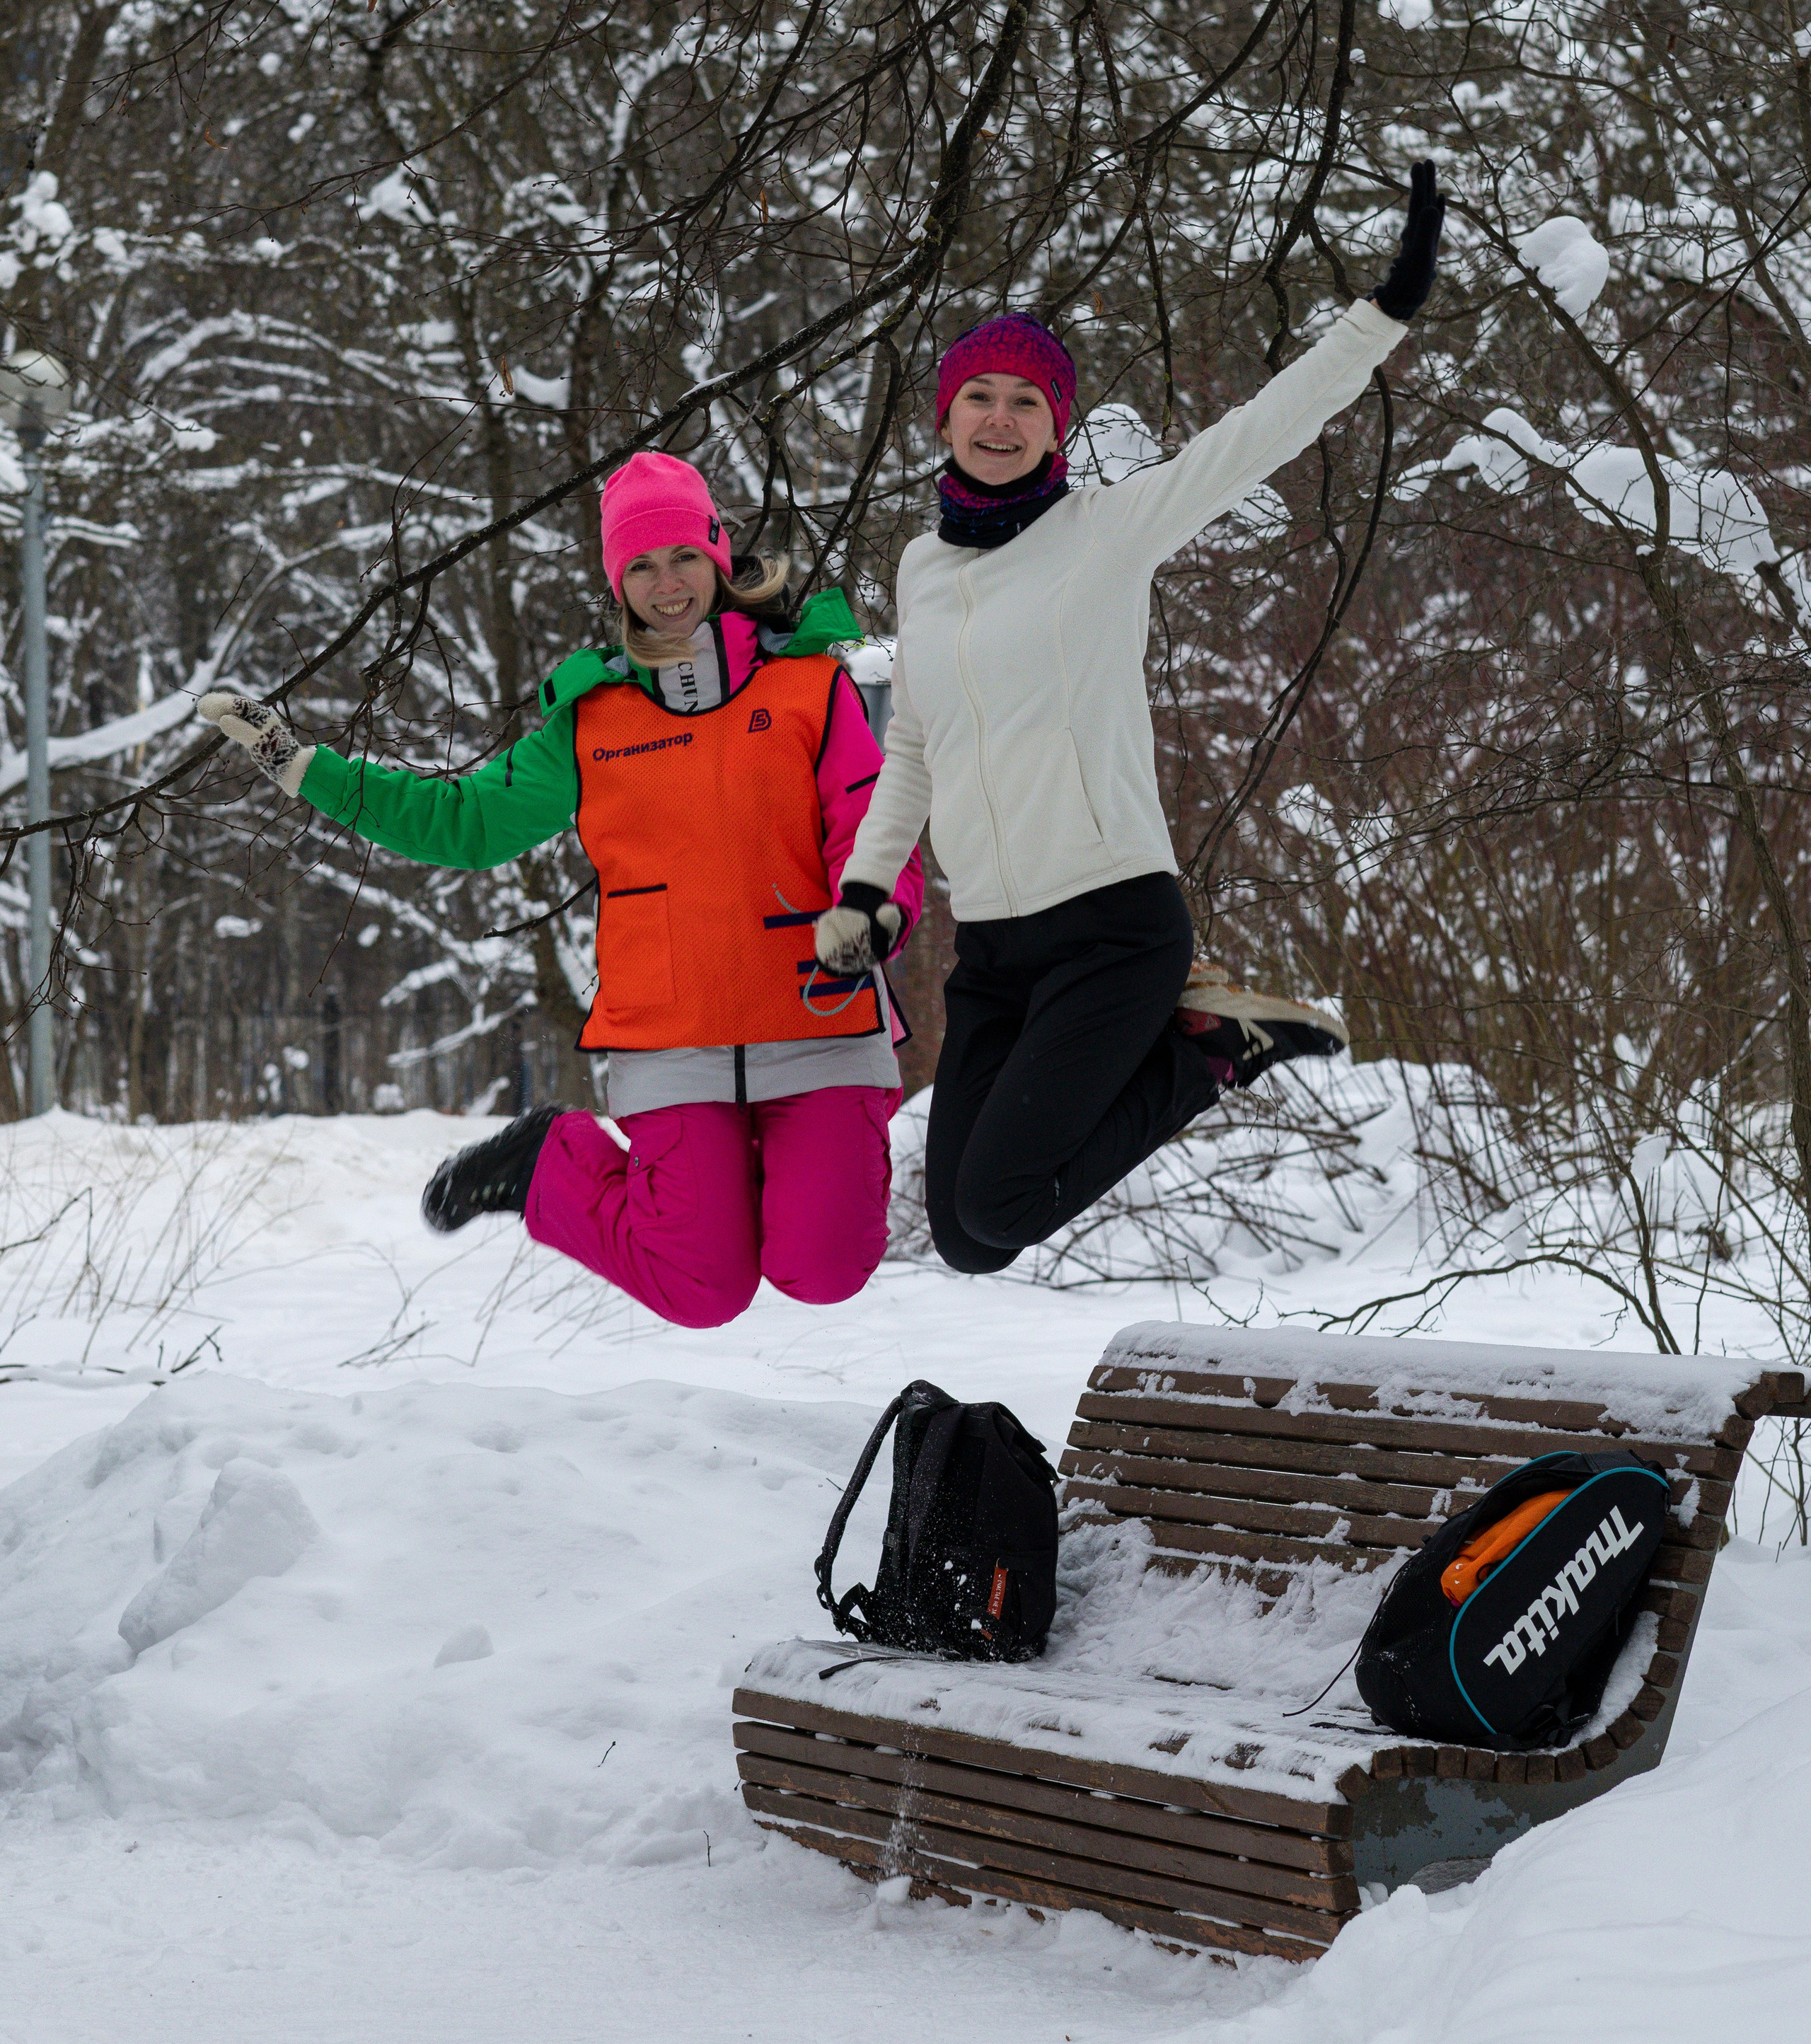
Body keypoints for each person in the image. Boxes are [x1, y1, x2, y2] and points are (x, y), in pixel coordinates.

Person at [815, 162, 1446, 1275]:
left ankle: (1217, 1050)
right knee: (966, 1237)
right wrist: (866, 893)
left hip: (1111, 923)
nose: (1000, 419)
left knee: (1002, 1203)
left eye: (1026, 402)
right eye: (981, 397)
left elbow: (1258, 433)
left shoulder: (1107, 530)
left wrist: (1380, 317)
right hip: (994, 945)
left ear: (1055, 427)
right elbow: (912, 743)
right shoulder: (921, 567)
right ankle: (1202, 1041)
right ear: (946, 416)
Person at [197, 453, 922, 1328]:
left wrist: (875, 907)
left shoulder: (810, 687)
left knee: (824, 1265)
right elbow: (464, 822)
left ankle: (782, 1182)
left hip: (817, 1013)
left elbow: (869, 820)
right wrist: (303, 768)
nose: (668, 584)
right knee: (703, 1288)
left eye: (684, 557)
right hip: (671, 1034)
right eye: (641, 565)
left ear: (719, 555)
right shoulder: (593, 720)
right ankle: (550, 1160)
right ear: (618, 582)